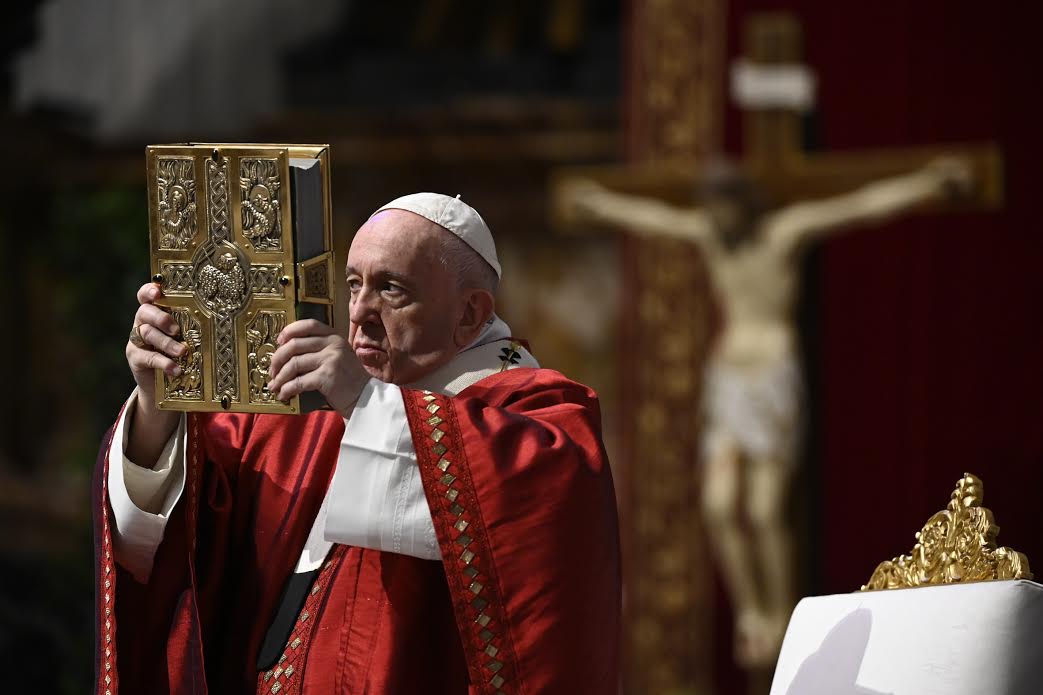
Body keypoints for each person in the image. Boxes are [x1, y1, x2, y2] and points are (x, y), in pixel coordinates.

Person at [96, 193, 622, 694]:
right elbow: (178, 536)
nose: (359, 313)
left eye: (391, 289)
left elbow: (540, 510)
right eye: (353, 285)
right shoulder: (306, 429)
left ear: (469, 314)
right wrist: (158, 401)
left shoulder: (532, 414)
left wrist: (363, 402)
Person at [560, 157, 971, 666]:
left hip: (772, 382)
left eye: (723, 205)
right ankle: (751, 613)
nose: (716, 216)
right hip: (729, 381)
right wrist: (599, 202)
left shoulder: (783, 233)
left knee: (763, 509)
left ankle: (782, 614)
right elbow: (654, 219)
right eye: (710, 206)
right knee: (717, 505)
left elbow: (861, 206)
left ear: (742, 203)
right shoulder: (710, 236)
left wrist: (925, 182)